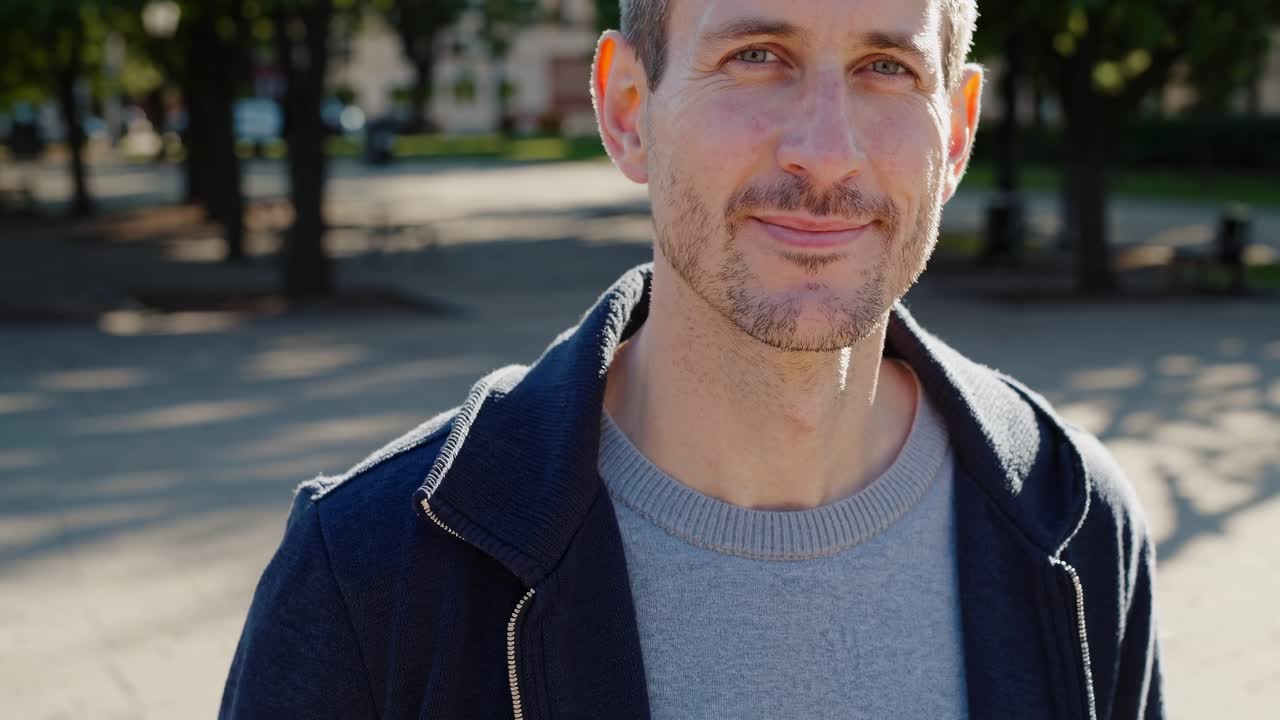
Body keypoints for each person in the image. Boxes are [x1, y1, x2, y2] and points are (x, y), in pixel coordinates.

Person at [221, 1, 1163, 718]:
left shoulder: (1077, 520)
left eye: (885, 66)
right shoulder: (372, 569)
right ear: (629, 108)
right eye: (758, 57)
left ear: (954, 132)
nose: (826, 154)